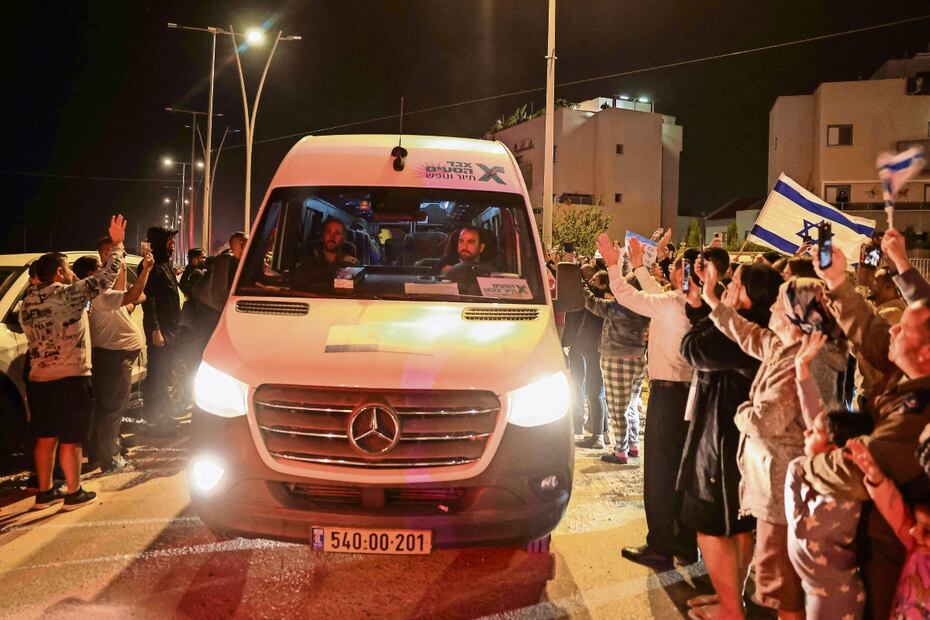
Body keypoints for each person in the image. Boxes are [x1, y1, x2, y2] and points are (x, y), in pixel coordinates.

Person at [702, 269, 847, 620]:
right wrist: (712, 300)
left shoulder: (811, 361)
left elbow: (765, 421)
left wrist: (742, 413)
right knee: (781, 586)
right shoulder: (787, 347)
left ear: (797, 319)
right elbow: (749, 335)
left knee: (786, 592)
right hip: (776, 487)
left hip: (786, 492)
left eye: (779, 306)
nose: (769, 311)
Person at [799, 245, 930, 619]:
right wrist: (837, 281)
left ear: (926, 353)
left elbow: (859, 469)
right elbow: (873, 334)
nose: (894, 328)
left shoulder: (919, 412)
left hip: (894, 556)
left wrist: (812, 461)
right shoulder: (908, 374)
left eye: (904, 328)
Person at [678, 262, 783, 619]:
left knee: (712, 526)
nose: (728, 288)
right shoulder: (758, 328)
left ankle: (730, 608)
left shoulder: (743, 331)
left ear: (751, 295)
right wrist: (704, 306)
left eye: (735, 283)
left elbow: (693, 349)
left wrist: (715, 307)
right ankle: (730, 598)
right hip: (741, 438)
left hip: (724, 440)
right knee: (738, 527)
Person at [597, 233, 697, 568]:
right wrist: (639, 266)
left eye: (678, 269)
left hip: (668, 396)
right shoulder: (699, 304)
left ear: (682, 274)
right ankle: (686, 544)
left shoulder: (671, 304)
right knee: (684, 472)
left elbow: (626, 295)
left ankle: (660, 546)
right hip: (693, 395)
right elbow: (653, 292)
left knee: (660, 474)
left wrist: (614, 266)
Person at [21, 215, 127, 511]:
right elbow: (106, 278)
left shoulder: (27, 303)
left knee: (46, 436)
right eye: (68, 269)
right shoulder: (70, 294)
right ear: (58, 272)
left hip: (39, 380)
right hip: (71, 378)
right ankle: (73, 492)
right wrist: (118, 245)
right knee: (71, 439)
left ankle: (44, 492)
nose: (72, 274)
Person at [784, 330, 875, 620]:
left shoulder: (842, 492)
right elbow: (816, 416)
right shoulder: (827, 470)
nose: (806, 432)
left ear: (833, 450)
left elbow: (802, 528)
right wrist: (802, 368)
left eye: (813, 433)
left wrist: (795, 471)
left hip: (836, 598)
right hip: (819, 591)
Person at [73, 250, 153, 472]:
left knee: (104, 408)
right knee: (112, 410)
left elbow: (125, 292)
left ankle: (99, 454)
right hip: (113, 357)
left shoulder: (98, 294)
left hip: (111, 355)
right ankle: (110, 460)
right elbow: (133, 294)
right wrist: (146, 270)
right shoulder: (98, 295)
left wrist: (123, 263)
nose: (104, 270)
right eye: (100, 267)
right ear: (90, 274)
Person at [846, 438, 930, 618]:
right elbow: (895, 511)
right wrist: (875, 477)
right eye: (916, 523)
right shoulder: (916, 547)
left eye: (927, 530)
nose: (913, 531)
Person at [580, 269, 649, 462]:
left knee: (618, 409)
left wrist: (580, 285)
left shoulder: (622, 305)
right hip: (638, 358)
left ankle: (621, 451)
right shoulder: (645, 306)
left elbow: (593, 304)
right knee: (631, 406)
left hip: (617, 359)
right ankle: (633, 446)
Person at [142, 226, 183, 434]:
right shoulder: (152, 267)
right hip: (161, 331)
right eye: (169, 240)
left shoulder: (166, 265)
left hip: (171, 329)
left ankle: (164, 417)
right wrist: (155, 329)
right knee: (157, 375)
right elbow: (149, 301)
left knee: (165, 373)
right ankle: (156, 421)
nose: (173, 244)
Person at [565, 265, 609, 449]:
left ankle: (598, 437)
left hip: (594, 349)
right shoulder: (603, 300)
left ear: (604, 284)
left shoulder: (602, 303)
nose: (590, 282)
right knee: (596, 392)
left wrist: (580, 284)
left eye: (594, 280)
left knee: (594, 391)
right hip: (590, 348)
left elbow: (589, 299)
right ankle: (603, 433)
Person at [292, 219, 358, 286]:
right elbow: (301, 279)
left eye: (337, 233)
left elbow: (350, 285)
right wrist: (336, 274)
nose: (332, 237)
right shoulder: (309, 255)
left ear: (343, 237)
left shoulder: (349, 262)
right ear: (323, 235)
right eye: (328, 232)